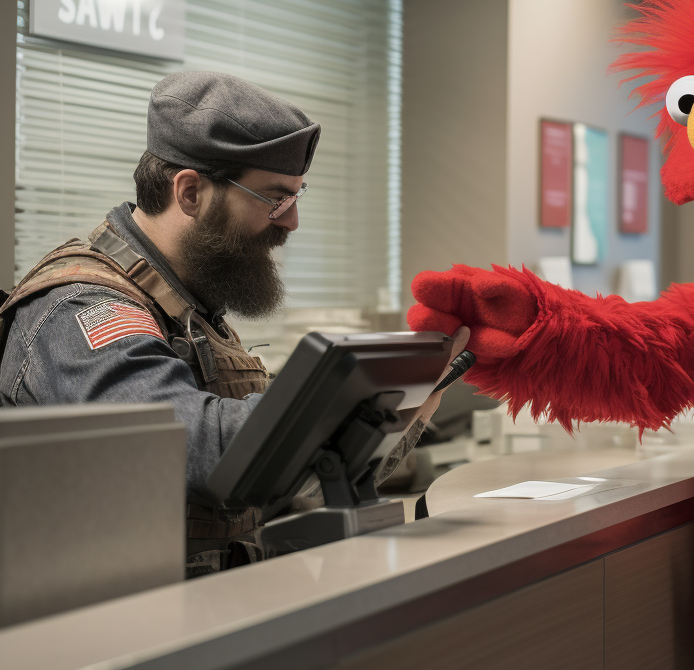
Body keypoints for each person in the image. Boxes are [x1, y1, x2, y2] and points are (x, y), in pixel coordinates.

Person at [0, 71, 466, 576]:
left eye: (296, 197)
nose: (291, 222)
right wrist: (354, 396)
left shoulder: (190, 310)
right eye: (274, 199)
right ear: (190, 192)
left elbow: (270, 490)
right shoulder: (84, 309)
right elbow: (191, 449)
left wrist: (406, 406)